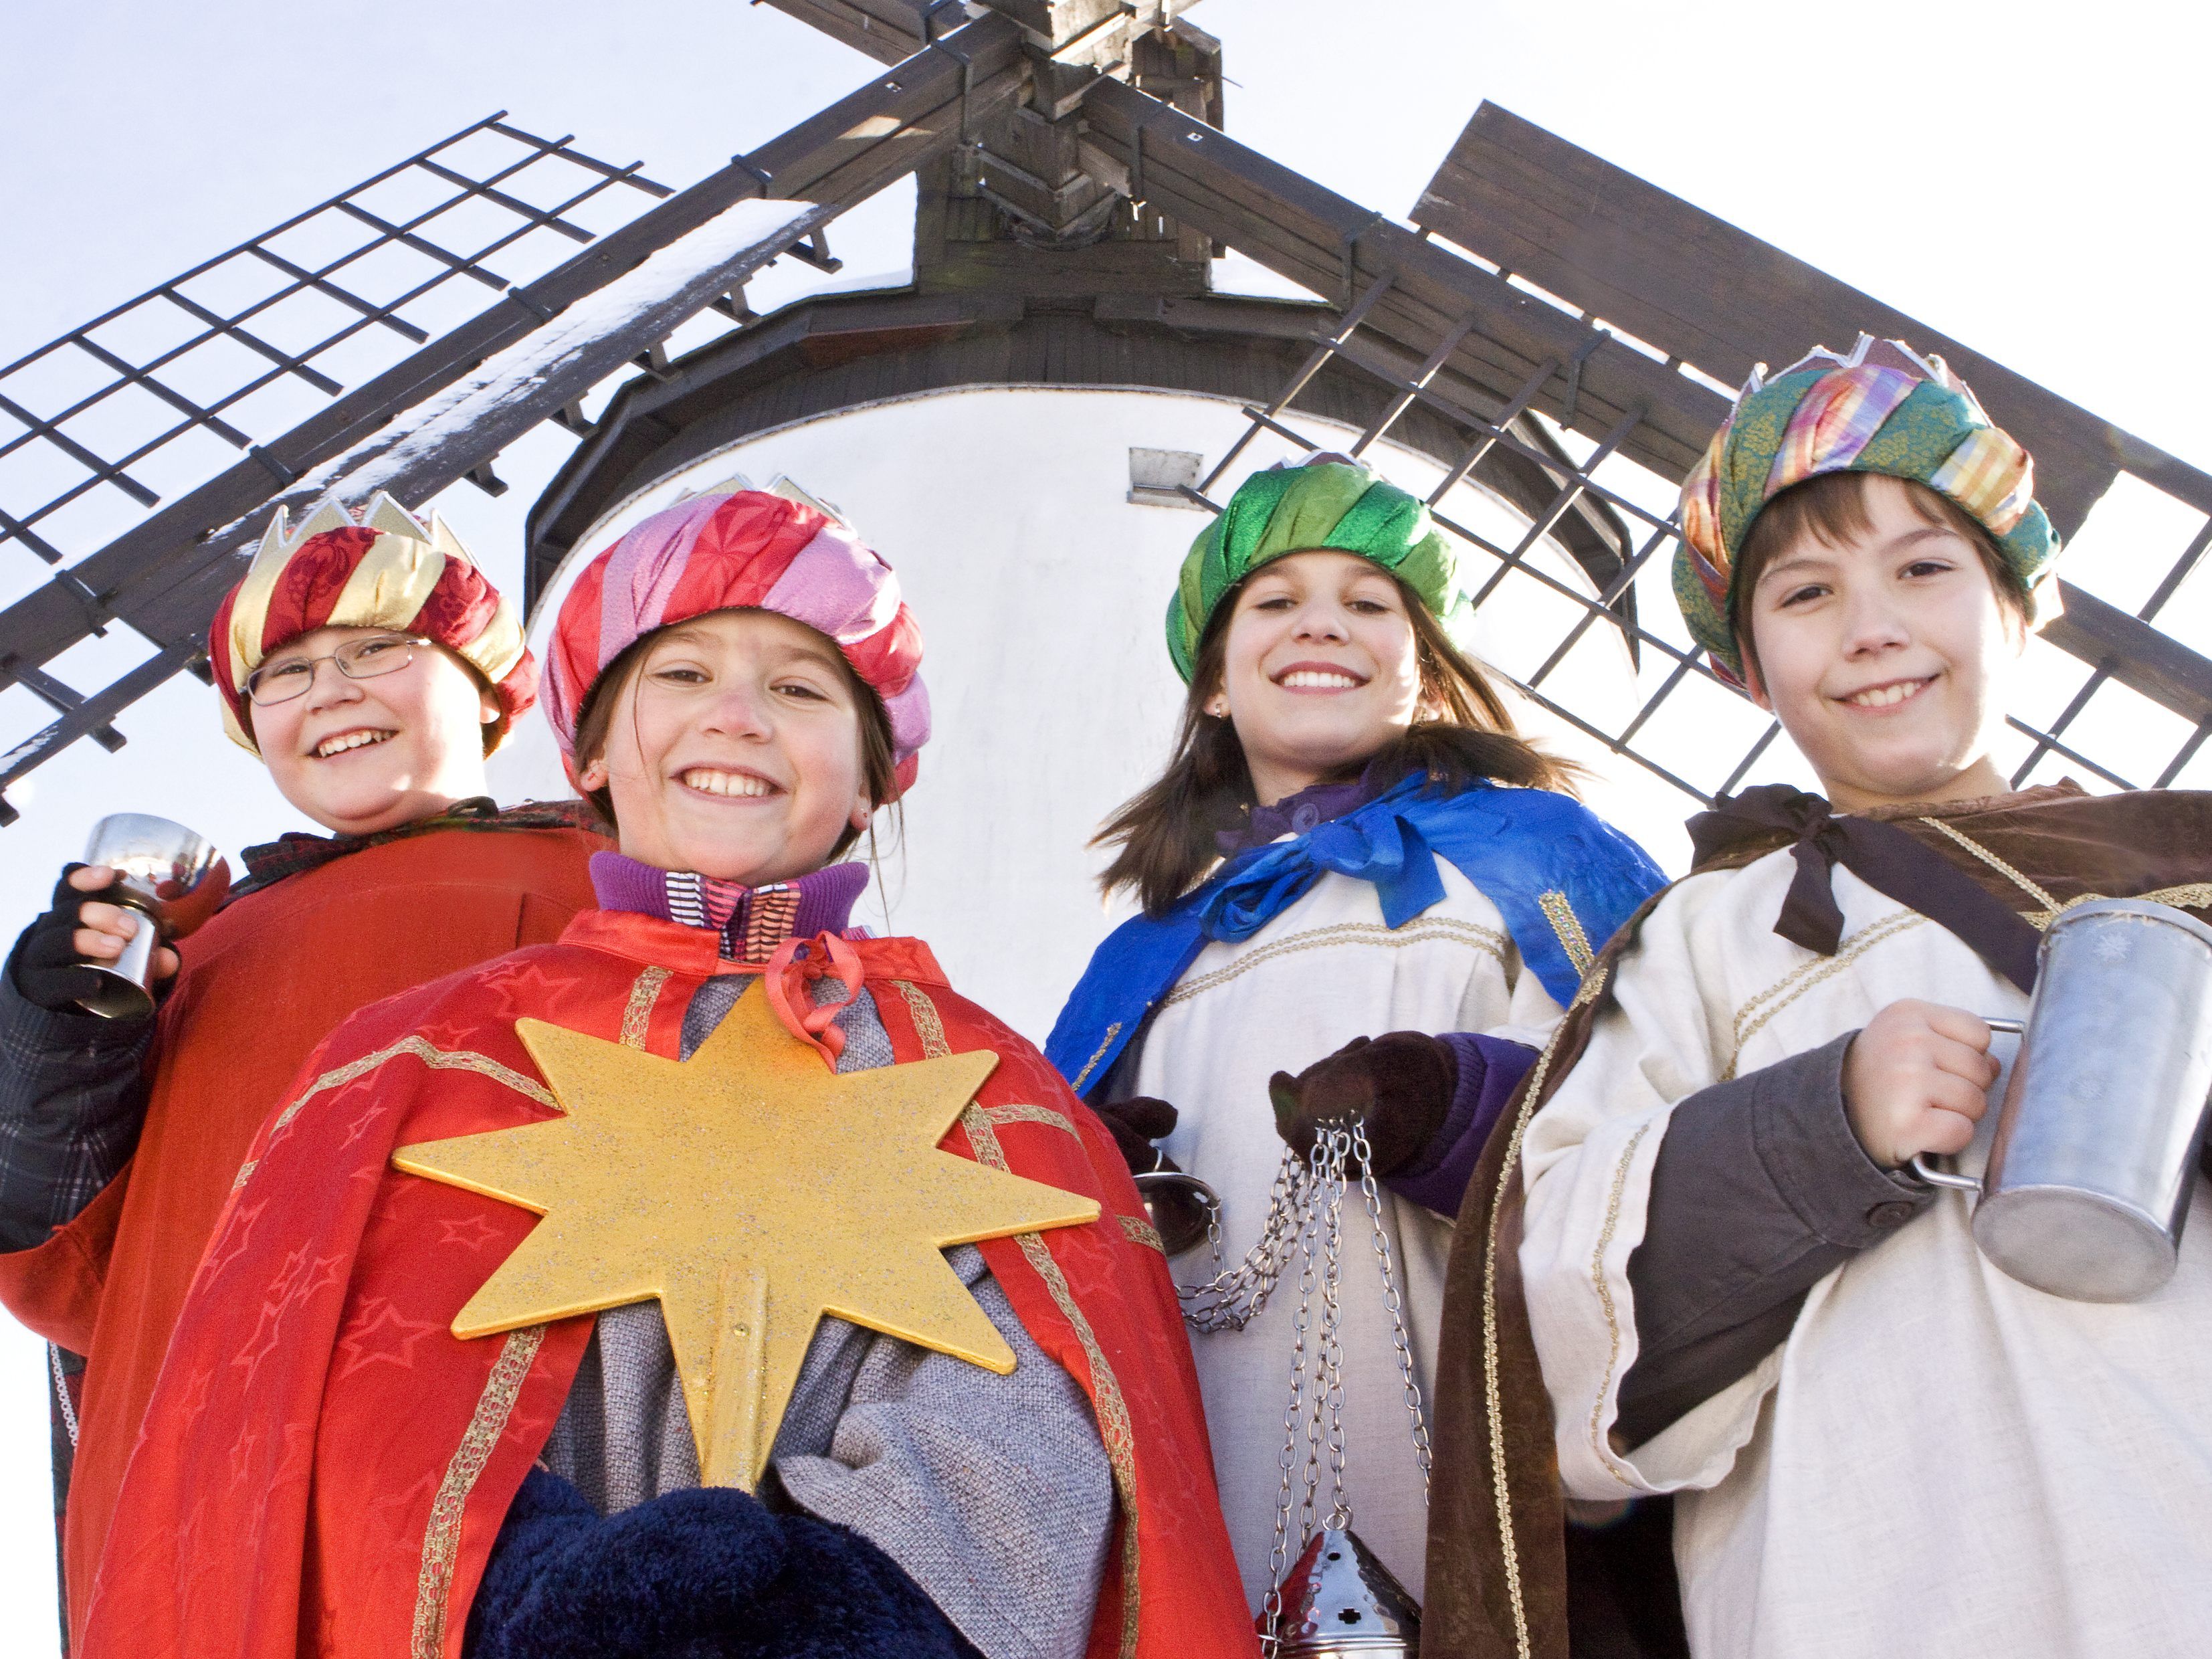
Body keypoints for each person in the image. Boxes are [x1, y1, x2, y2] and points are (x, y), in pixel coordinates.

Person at [83, 486, 1253, 1659]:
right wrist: (533, 1593)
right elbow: (337, 1394)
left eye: (799, 689)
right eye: (682, 675)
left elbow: (1033, 1413)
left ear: (870, 780)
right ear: (589, 750)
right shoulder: (414, 1055)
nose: (736, 716)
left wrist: (846, 1619)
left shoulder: (995, 1085)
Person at [1418, 336, 2212, 1659]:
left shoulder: (2184, 878)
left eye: (1922, 568)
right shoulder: (1709, 931)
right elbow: (1562, 1335)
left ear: (2019, 601)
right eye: (1804, 593)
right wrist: (1814, 1123)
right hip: (1860, 1588)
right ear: (1745, 661)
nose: (1872, 627)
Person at [1045, 456, 1665, 1611]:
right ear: (1216, 685)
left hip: (1454, 1420)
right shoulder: (1150, 952)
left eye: (1369, 602)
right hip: (1207, 1441)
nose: (1320, 623)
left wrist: (1457, 1111)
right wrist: (1100, 1183)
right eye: (1275, 602)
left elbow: (1658, 1113)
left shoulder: (1533, 863)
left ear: (1424, 671)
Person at [0, 493, 606, 1644]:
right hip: (210, 1463)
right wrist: (58, 1036)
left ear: (483, 689)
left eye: (378, 649)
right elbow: (66, 1263)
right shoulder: (198, 945)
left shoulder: (613, 873)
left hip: (515, 1442)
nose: (329, 689)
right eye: (286, 673)